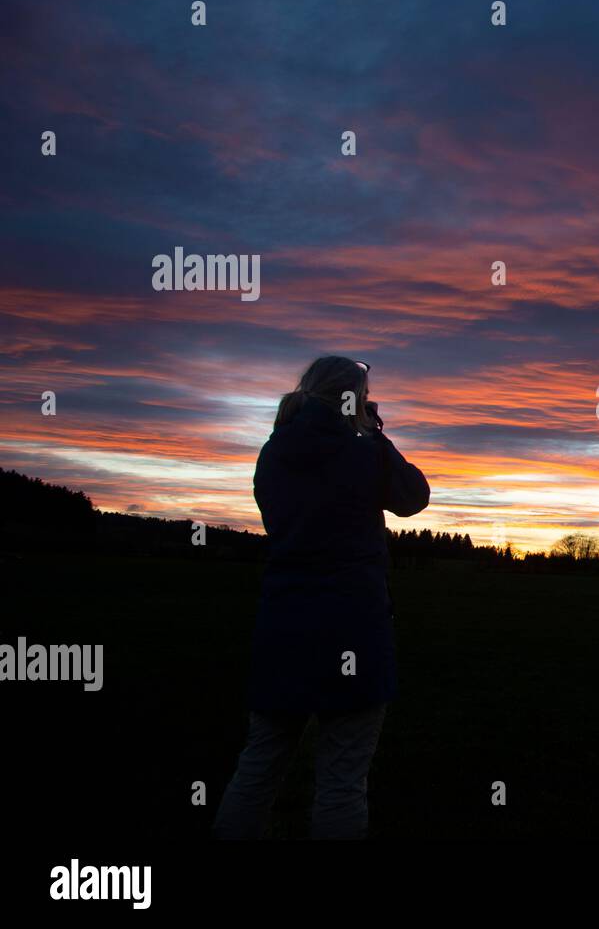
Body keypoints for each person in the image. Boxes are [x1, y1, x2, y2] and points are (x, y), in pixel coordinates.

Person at [212, 356, 429, 839]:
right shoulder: (365, 452)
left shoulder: (273, 451)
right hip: (354, 625)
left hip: (284, 624)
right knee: (342, 782)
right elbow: (414, 496)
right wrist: (375, 434)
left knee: (258, 766)